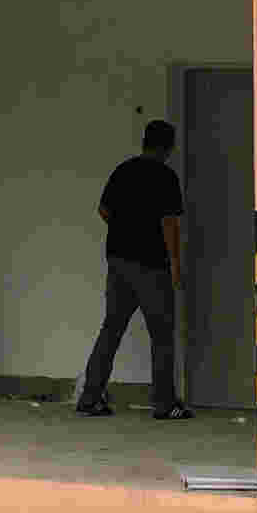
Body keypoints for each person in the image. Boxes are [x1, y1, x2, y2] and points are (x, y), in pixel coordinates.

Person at [77, 119, 192, 420]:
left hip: (118, 262)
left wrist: (124, 228)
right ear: (169, 147)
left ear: (144, 142)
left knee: (112, 328)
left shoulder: (123, 170)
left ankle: (90, 398)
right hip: (152, 266)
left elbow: (103, 210)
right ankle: (164, 404)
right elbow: (169, 224)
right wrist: (176, 265)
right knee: (162, 336)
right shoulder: (166, 176)